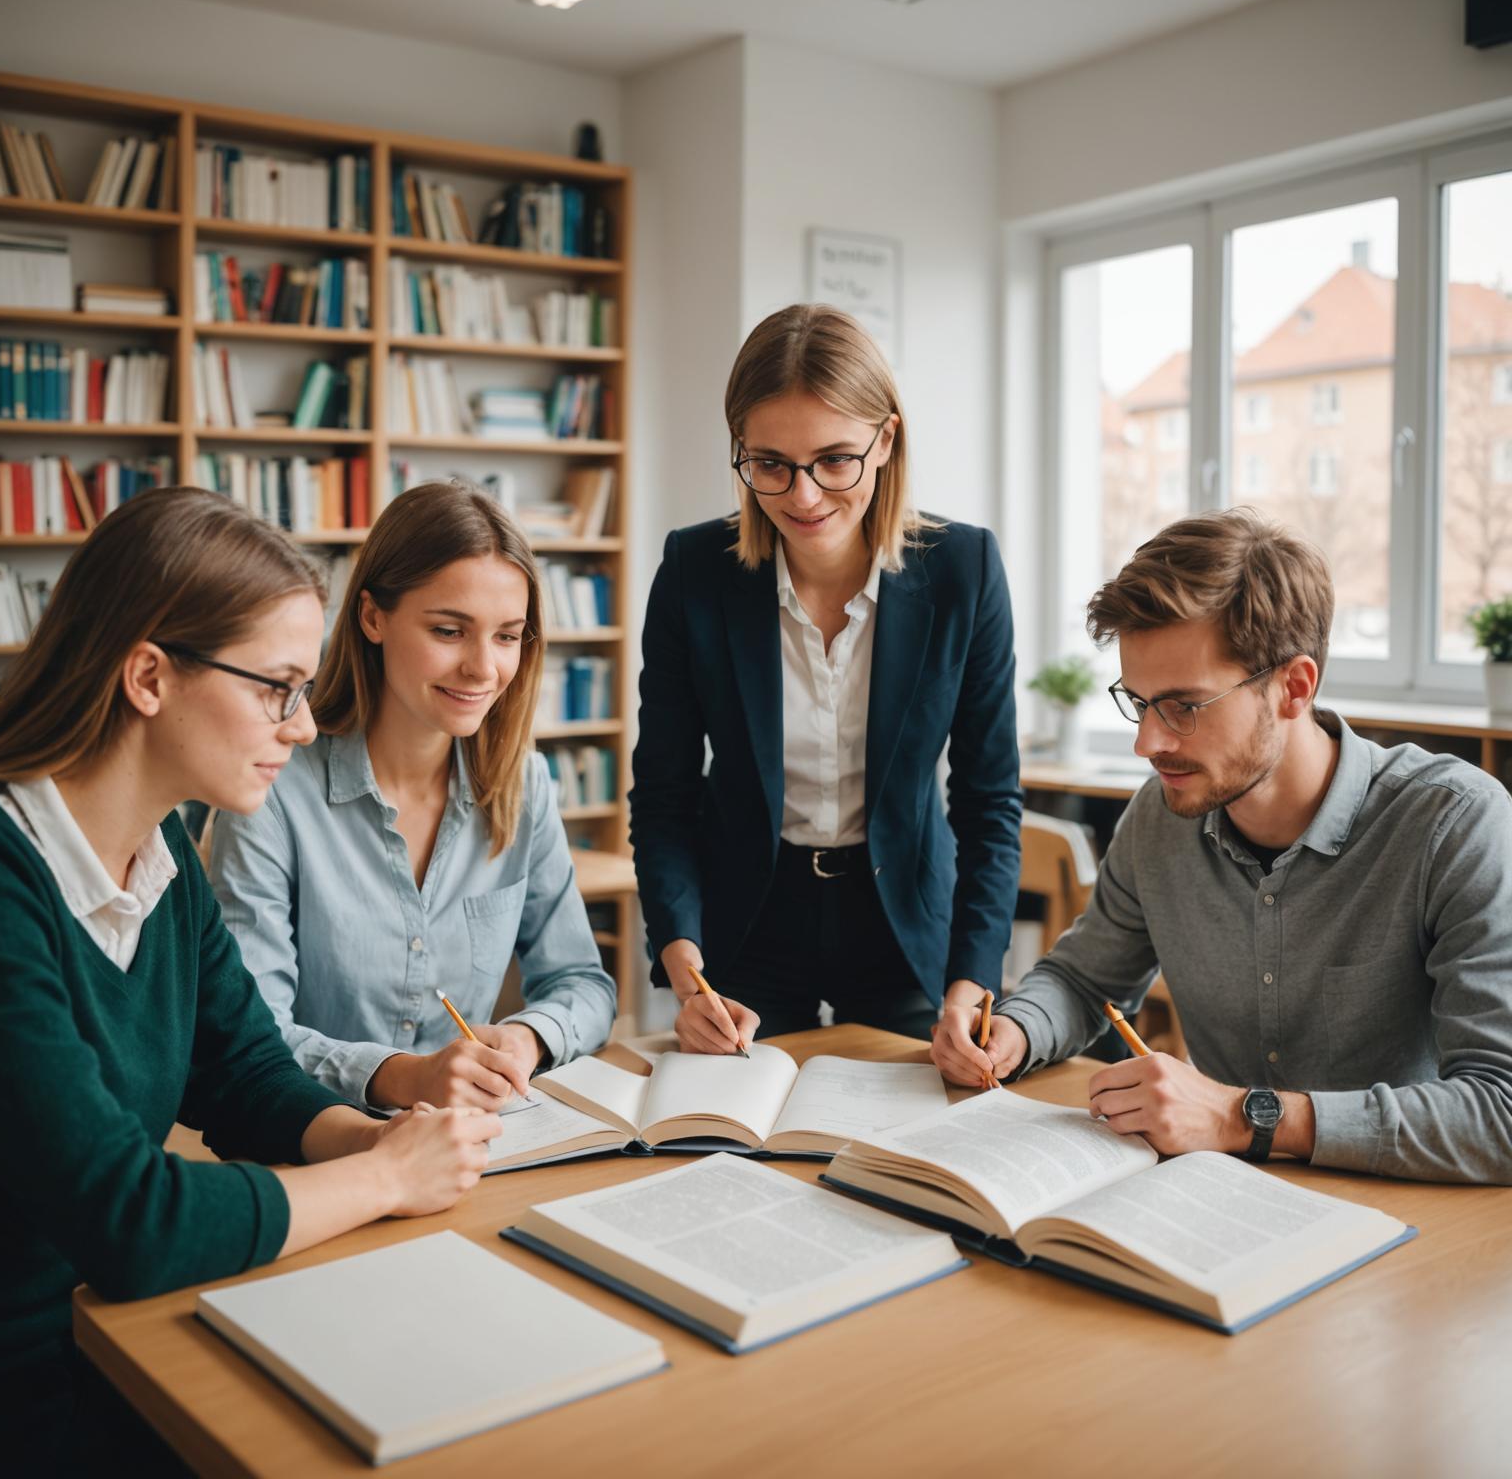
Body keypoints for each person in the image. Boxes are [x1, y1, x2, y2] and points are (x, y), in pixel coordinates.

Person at [0, 488, 499, 1472]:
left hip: (116, 1340)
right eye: (279, 687)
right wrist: (382, 1176)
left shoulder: (164, 849)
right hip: (18, 1387)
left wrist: (383, 1140)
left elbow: (243, 1072)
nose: (302, 727)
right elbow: (128, 1219)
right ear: (148, 677)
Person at [932, 508, 1512, 1184]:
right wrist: (1017, 1032)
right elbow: (1084, 979)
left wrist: (1245, 1117)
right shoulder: (1161, 815)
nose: (1147, 743)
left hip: (1416, 1226)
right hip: (1226, 1204)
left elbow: (1500, 1112)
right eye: (1138, 701)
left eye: (1184, 706)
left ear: (1294, 687)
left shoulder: (1456, 824)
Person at [630, 303, 1023, 1052]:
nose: (802, 497)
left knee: (909, 1139)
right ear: (741, 449)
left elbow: (988, 800)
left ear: (885, 442)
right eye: (770, 463)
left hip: (903, 921)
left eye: (835, 460)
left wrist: (973, 978)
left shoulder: (964, 569)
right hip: (747, 920)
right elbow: (665, 797)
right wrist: (685, 968)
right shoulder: (693, 572)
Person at [211, 482, 615, 1113]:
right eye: (450, 631)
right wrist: (405, 1077)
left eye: (508, 636)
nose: (484, 669)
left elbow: (583, 983)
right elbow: (251, 1037)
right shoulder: (273, 789)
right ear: (373, 616)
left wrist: (527, 1039)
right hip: (315, 1146)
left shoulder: (521, 782)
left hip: (474, 1146)